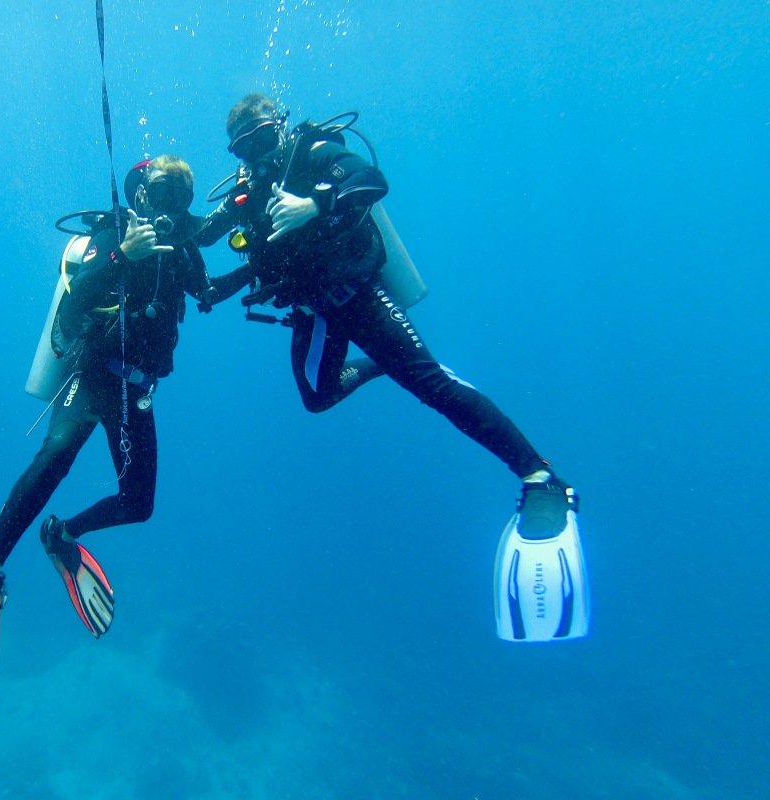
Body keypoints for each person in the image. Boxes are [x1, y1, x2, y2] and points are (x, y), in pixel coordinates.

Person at [0, 155, 252, 763]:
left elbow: (206, 294)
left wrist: (258, 261)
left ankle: (63, 535)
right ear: (139, 193)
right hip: (94, 373)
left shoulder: (181, 249)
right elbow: (73, 314)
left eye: (181, 195)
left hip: (137, 389)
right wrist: (122, 255)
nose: (172, 205)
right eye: (161, 192)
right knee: (58, 453)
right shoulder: (114, 237)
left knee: (139, 503)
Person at [198, 93, 588, 643]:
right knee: (317, 396)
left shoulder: (314, 150)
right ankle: (381, 368)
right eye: (244, 147)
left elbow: (370, 179)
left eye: (263, 139)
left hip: (357, 295)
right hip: (316, 311)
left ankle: (540, 476)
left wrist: (316, 203)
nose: (257, 154)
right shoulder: (249, 189)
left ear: (279, 128)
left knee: (430, 386)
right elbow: (207, 234)